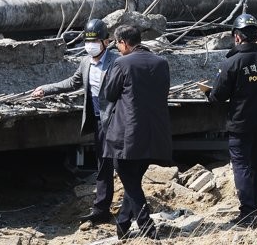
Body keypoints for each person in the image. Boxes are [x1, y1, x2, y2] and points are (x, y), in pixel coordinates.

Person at [201, 13, 257, 229]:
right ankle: (255, 208)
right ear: (256, 36)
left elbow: (218, 96)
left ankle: (248, 214)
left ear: (237, 37)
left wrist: (208, 94)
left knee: (242, 167)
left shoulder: (231, 62)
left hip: (240, 124)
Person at [32, 18, 118, 225]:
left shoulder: (116, 62)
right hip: (100, 122)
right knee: (103, 166)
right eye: (88, 41)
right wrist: (46, 89)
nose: (91, 45)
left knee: (123, 166)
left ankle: (134, 208)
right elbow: (73, 82)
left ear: (106, 42)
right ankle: (101, 210)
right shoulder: (86, 62)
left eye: (95, 41)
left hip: (117, 121)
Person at [100, 24, 172, 241]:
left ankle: (146, 226)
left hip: (127, 134)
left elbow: (110, 93)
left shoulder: (122, 63)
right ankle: (122, 226)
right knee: (133, 181)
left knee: (128, 178)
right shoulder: (161, 62)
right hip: (155, 134)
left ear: (123, 42)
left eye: (117, 43)